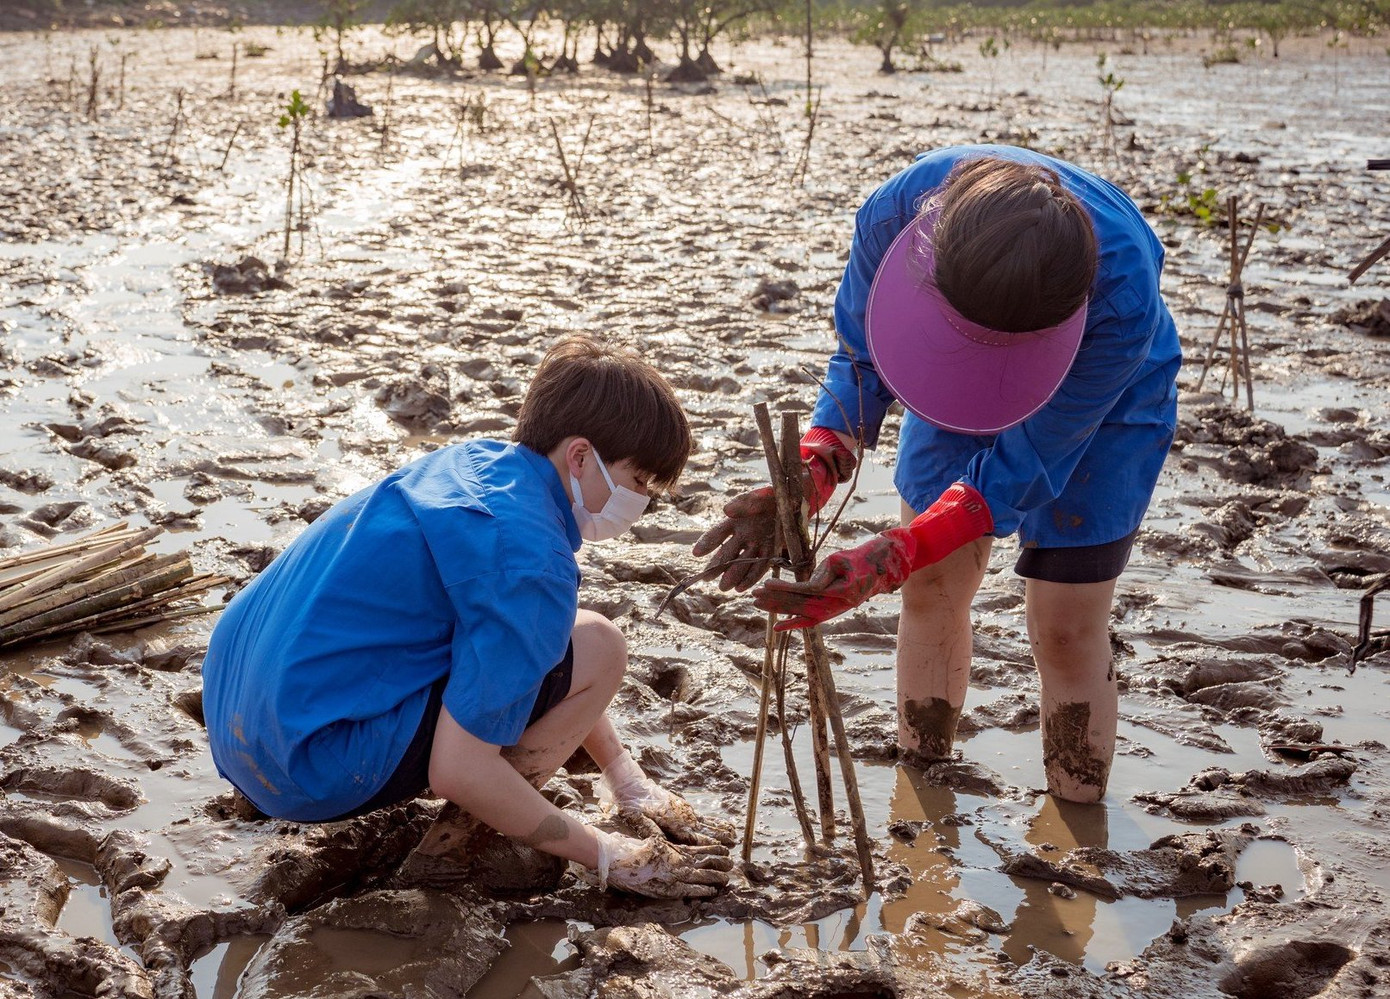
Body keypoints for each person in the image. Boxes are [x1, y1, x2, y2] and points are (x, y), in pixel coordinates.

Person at [695, 146, 1180, 803]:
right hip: (941, 363)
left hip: (1102, 404)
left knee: (1066, 626)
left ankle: (1076, 820)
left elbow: (1020, 466)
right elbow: (863, 356)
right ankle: (924, 795)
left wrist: (891, 553)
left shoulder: (1122, 302)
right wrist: (813, 469)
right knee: (931, 589)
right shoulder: (896, 217)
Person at [203, 335, 734, 898]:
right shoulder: (531, 561)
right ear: (580, 456)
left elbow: (531, 649)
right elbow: (457, 771)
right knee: (601, 645)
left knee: (550, 634)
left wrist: (624, 780)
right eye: (638, 482)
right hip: (309, 771)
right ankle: (458, 851)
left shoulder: (473, 462)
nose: (640, 500)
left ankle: (610, 784)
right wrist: (606, 854)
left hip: (240, 725)